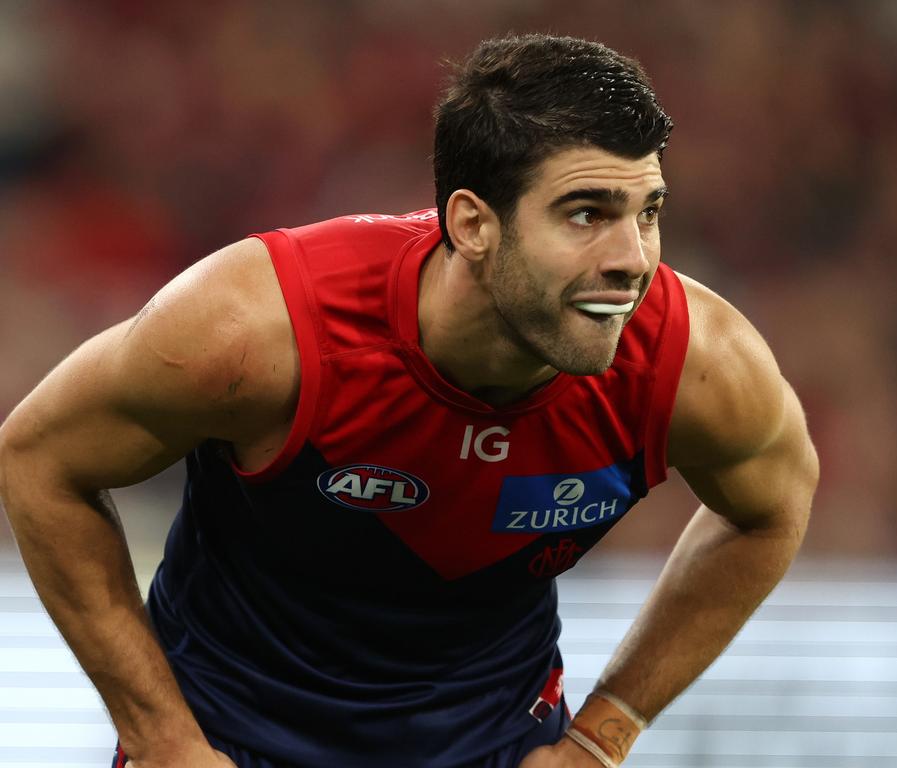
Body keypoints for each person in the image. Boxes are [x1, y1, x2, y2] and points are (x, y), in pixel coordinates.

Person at [0, 34, 817, 768]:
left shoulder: (691, 361)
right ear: (471, 223)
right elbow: (39, 459)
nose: (632, 259)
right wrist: (162, 740)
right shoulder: (260, 331)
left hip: (496, 746)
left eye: (649, 212)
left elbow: (773, 505)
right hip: (229, 740)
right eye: (585, 215)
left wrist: (606, 733)